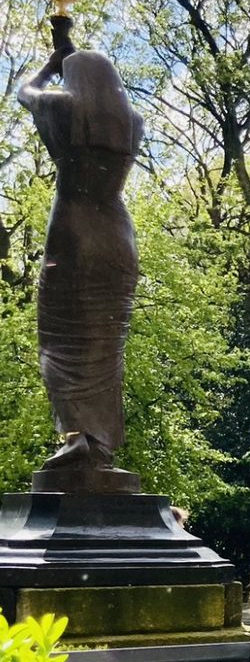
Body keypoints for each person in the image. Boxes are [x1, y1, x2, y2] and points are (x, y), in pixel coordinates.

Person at [17, 44, 144, 471]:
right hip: (117, 238)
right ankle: (98, 443)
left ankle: (78, 438)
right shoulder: (132, 122)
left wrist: (53, 65)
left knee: (60, 341)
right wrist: (75, 58)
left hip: (74, 235)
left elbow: (25, 90)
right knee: (106, 348)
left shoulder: (60, 107)